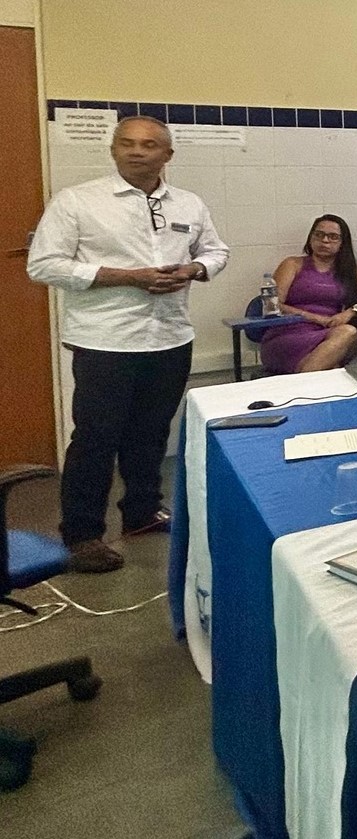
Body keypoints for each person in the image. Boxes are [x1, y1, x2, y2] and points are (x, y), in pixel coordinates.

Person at [26, 116, 230, 573]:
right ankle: (82, 534)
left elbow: (216, 251)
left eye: (149, 144)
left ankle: (142, 511)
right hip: (105, 341)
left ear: (167, 155)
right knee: (95, 439)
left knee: (151, 433)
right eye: (127, 143)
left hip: (170, 337)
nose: (137, 151)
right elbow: (43, 265)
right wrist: (125, 277)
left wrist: (194, 270)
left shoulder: (189, 203)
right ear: (114, 150)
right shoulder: (78, 201)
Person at [259, 215, 357, 374]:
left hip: (329, 335)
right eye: (319, 235)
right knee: (331, 365)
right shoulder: (292, 264)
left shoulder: (348, 271)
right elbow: (274, 304)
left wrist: (351, 312)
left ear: (342, 243)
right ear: (311, 238)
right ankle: (305, 380)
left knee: (349, 333)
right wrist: (314, 318)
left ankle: (305, 378)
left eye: (333, 237)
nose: (325, 241)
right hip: (287, 335)